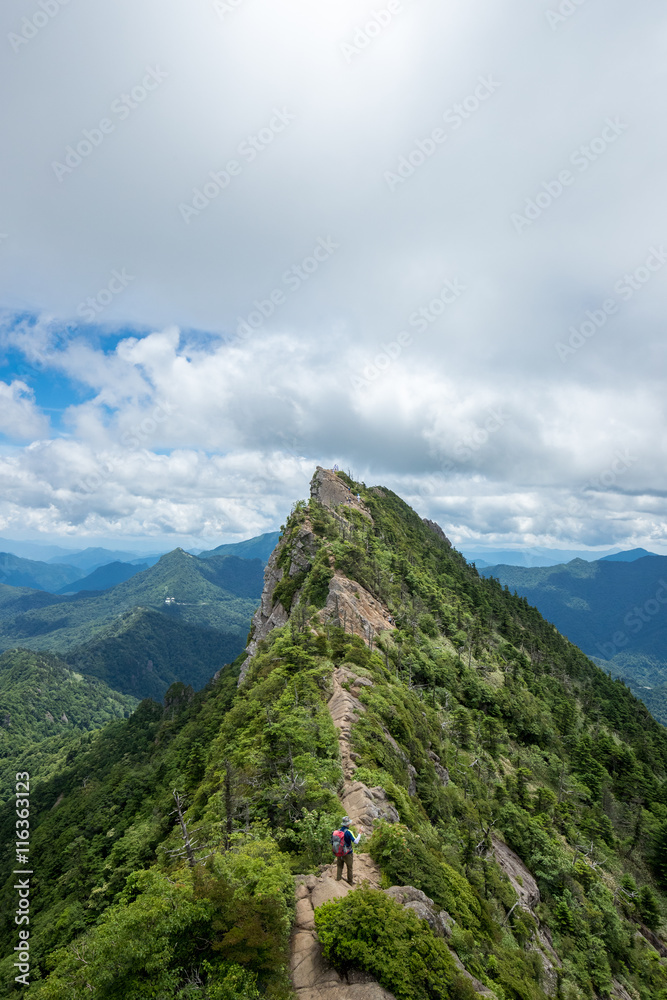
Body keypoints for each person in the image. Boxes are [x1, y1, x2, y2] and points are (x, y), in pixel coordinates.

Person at [334, 816, 361, 885]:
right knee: (349, 867)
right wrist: (360, 833)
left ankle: (338, 879)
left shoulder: (338, 831)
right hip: (348, 853)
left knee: (339, 866)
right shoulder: (349, 832)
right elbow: (356, 841)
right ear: (348, 824)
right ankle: (350, 882)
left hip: (339, 852)